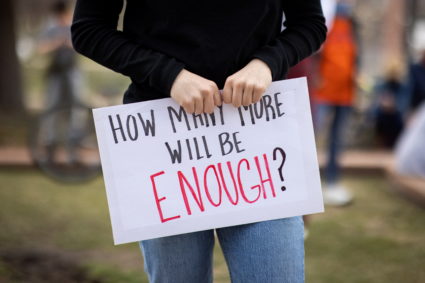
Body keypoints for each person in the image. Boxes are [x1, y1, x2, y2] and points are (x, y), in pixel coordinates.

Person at [72, 1, 327, 282]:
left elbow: (310, 24)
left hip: (259, 138)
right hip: (163, 142)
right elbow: (88, 30)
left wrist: (266, 63)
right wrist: (169, 75)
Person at [313, 2, 357, 207]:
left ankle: (332, 182)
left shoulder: (352, 24)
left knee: (336, 141)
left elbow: (356, 56)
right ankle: (310, 185)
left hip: (345, 93)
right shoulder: (324, 17)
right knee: (313, 138)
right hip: (322, 92)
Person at [38, 0, 83, 163]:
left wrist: (69, 43)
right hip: (55, 73)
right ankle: (50, 150)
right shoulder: (51, 28)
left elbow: (82, 46)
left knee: (76, 111)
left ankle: (74, 151)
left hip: (72, 72)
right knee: (51, 109)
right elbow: (41, 48)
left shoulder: (74, 26)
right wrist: (57, 42)